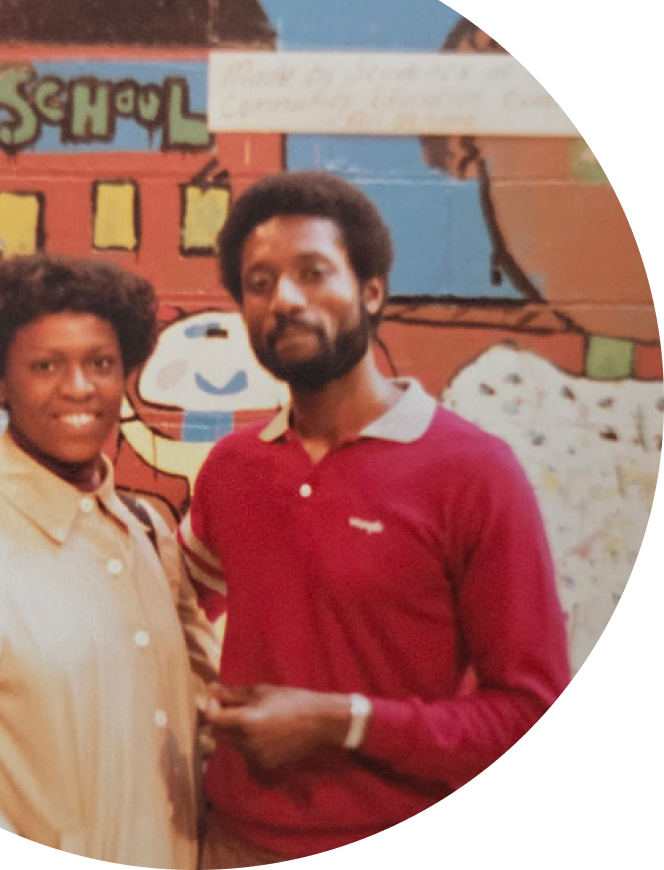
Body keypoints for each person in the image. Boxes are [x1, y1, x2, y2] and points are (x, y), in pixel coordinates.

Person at [178, 171, 570, 861]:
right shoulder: (232, 469)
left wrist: (345, 721)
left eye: (312, 272)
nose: (284, 300)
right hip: (231, 841)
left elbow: (527, 711)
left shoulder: (475, 472)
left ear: (372, 292)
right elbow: (176, 603)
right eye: (260, 283)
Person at [0, 254, 218, 866]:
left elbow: (201, 721)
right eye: (46, 365)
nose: (79, 387)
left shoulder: (148, 531)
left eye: (100, 363)